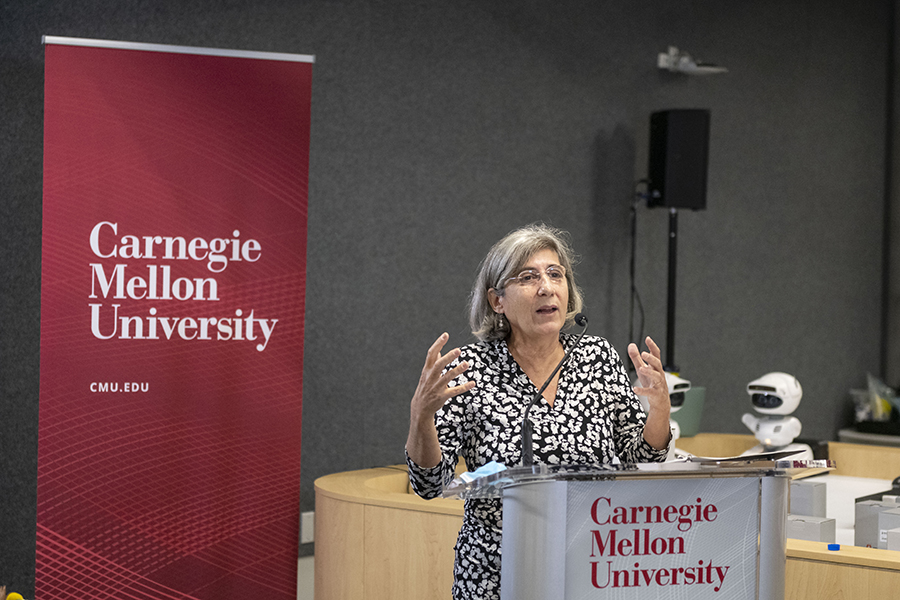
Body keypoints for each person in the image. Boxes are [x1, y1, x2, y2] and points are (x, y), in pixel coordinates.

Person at [405, 223, 671, 600]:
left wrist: (659, 411)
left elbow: (641, 458)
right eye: (528, 277)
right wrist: (421, 418)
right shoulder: (472, 369)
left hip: (591, 568)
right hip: (497, 575)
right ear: (497, 300)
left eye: (555, 274)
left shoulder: (595, 358)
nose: (546, 286)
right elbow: (429, 485)